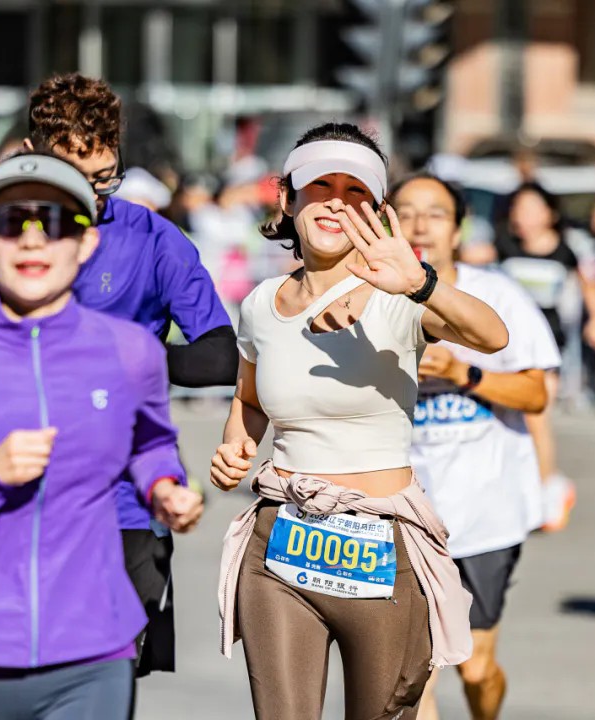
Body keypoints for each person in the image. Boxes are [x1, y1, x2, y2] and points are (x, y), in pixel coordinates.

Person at [0, 73, 236, 691]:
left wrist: (121, 364)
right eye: (73, 178)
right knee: (10, 673)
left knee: (99, 676)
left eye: (105, 177)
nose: (92, 195)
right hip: (6, 493)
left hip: (125, 502)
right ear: (32, 158)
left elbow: (219, 356)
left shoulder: (151, 238)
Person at [0, 151, 203, 719]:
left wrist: (165, 486)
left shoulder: (132, 352)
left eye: (54, 223)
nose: (31, 241)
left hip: (93, 656)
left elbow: (150, 443)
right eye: (9, 222)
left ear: (87, 242)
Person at [212, 122, 510, 720]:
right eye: (321, 184)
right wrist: (233, 448)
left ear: (375, 209)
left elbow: (493, 337)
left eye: (356, 190)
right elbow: (250, 398)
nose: (336, 201)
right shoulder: (260, 305)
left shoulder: (399, 296)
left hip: (380, 545)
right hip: (283, 541)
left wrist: (422, 282)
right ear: (287, 199)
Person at [388, 174, 559, 720]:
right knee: (417, 674)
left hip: (486, 514)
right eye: (406, 211)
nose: (419, 224)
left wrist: (466, 373)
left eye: (435, 213)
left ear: (458, 228)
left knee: (477, 668)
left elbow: (535, 392)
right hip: (403, 515)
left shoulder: (498, 295)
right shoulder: (368, 299)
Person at [494, 182, 595, 532]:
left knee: (537, 418)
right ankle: (522, 490)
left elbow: (591, 287)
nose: (525, 215)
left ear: (550, 213)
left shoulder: (567, 251)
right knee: (505, 421)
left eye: (532, 208)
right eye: (519, 208)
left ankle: (549, 491)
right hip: (503, 348)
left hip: (544, 346)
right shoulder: (503, 246)